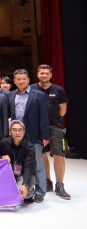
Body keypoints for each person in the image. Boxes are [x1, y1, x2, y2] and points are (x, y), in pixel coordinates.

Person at [8, 69, 49, 203]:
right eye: (18, 79)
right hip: (16, 135)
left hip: (33, 134)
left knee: (38, 165)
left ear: (29, 80)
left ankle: (40, 191)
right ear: (14, 81)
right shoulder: (11, 95)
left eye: (24, 79)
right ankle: (24, 190)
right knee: (20, 164)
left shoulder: (39, 95)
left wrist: (44, 135)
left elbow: (44, 116)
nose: (21, 81)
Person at [31, 64, 70, 199]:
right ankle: (47, 182)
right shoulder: (32, 89)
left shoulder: (58, 90)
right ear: (38, 74)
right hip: (37, 127)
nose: (44, 75)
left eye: (46, 73)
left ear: (51, 75)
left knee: (59, 155)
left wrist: (53, 120)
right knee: (42, 155)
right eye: (41, 73)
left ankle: (60, 185)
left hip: (54, 126)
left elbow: (62, 110)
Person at [0, 120, 36, 202]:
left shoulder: (30, 147)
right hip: (9, 174)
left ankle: (30, 192)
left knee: (19, 193)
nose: (17, 132)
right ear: (10, 131)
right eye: (14, 130)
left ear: (24, 132)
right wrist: (1, 158)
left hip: (24, 175)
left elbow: (29, 168)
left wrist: (25, 185)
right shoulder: (3, 143)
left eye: (20, 130)